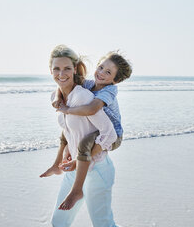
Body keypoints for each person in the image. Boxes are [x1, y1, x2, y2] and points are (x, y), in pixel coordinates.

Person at [40, 45, 118, 227]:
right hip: (73, 170)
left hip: (97, 169)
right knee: (58, 222)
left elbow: (110, 134)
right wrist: (66, 153)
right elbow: (70, 130)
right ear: (50, 71)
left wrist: (82, 157)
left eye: (67, 68)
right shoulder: (56, 96)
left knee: (103, 224)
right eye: (57, 69)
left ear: (75, 69)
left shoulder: (83, 97)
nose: (62, 73)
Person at [52, 51, 132, 210]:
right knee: (66, 129)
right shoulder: (88, 85)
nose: (101, 73)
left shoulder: (109, 91)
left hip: (113, 135)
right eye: (101, 67)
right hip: (98, 128)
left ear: (115, 80)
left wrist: (67, 109)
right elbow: (64, 84)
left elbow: (91, 109)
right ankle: (68, 161)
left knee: (85, 144)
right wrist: (57, 98)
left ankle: (77, 189)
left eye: (108, 72)